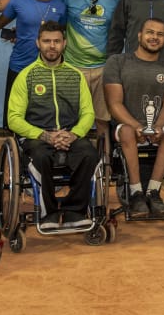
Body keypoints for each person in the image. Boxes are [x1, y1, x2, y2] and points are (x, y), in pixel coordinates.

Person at [6, 21, 99, 225]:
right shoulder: (26, 76)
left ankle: (75, 212)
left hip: (69, 135)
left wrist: (73, 134)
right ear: (38, 43)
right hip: (36, 137)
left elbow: (88, 112)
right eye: (47, 41)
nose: (52, 46)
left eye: (56, 41)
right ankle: (49, 214)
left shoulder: (75, 76)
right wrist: (45, 135)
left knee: (89, 154)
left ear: (64, 43)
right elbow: (13, 119)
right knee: (41, 156)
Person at [105, 18, 164, 218]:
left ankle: (154, 191)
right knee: (127, 131)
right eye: (150, 32)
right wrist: (138, 126)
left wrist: (157, 126)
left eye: (160, 34)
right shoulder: (117, 62)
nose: (154, 37)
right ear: (139, 35)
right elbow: (114, 104)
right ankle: (136, 192)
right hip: (126, 126)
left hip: (158, 126)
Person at [59, 0, 115, 141]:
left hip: (103, 69)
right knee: (72, 121)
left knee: (103, 121)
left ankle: (105, 167)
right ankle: (77, 164)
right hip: (74, 67)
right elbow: (56, 24)